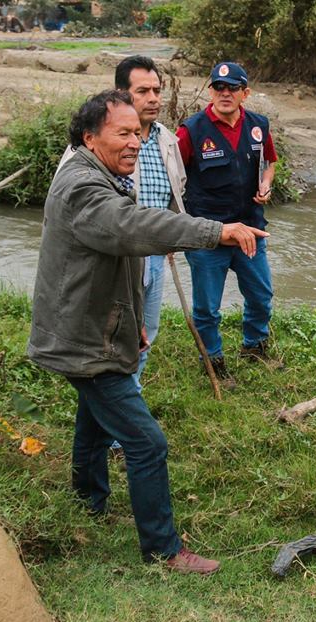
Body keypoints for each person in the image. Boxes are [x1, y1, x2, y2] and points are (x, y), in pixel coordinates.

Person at [28, 90, 266, 574]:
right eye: (123, 133)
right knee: (146, 442)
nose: (136, 142)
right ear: (90, 138)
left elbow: (117, 259)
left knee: (94, 422)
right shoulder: (81, 187)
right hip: (81, 339)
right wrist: (214, 231)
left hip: (96, 328)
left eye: (138, 133)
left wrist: (133, 321)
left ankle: (87, 502)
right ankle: (162, 549)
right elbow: (130, 229)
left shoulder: (105, 176)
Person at [57, 55, 185, 394]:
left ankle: (128, 396)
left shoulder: (166, 140)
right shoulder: (90, 148)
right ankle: (122, 411)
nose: (154, 98)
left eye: (157, 90)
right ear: (120, 93)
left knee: (145, 333)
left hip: (153, 256)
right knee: (112, 336)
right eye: (142, 90)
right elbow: (70, 205)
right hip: (113, 258)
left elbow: (177, 188)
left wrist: (169, 236)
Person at [175, 61, 279, 384]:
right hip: (208, 235)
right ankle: (214, 363)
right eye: (218, 87)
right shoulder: (190, 131)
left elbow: (270, 162)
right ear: (210, 91)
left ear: (244, 93)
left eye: (232, 88)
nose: (224, 93)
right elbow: (173, 179)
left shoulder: (259, 125)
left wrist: (266, 184)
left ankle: (255, 346)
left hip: (250, 229)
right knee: (207, 309)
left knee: (261, 296)